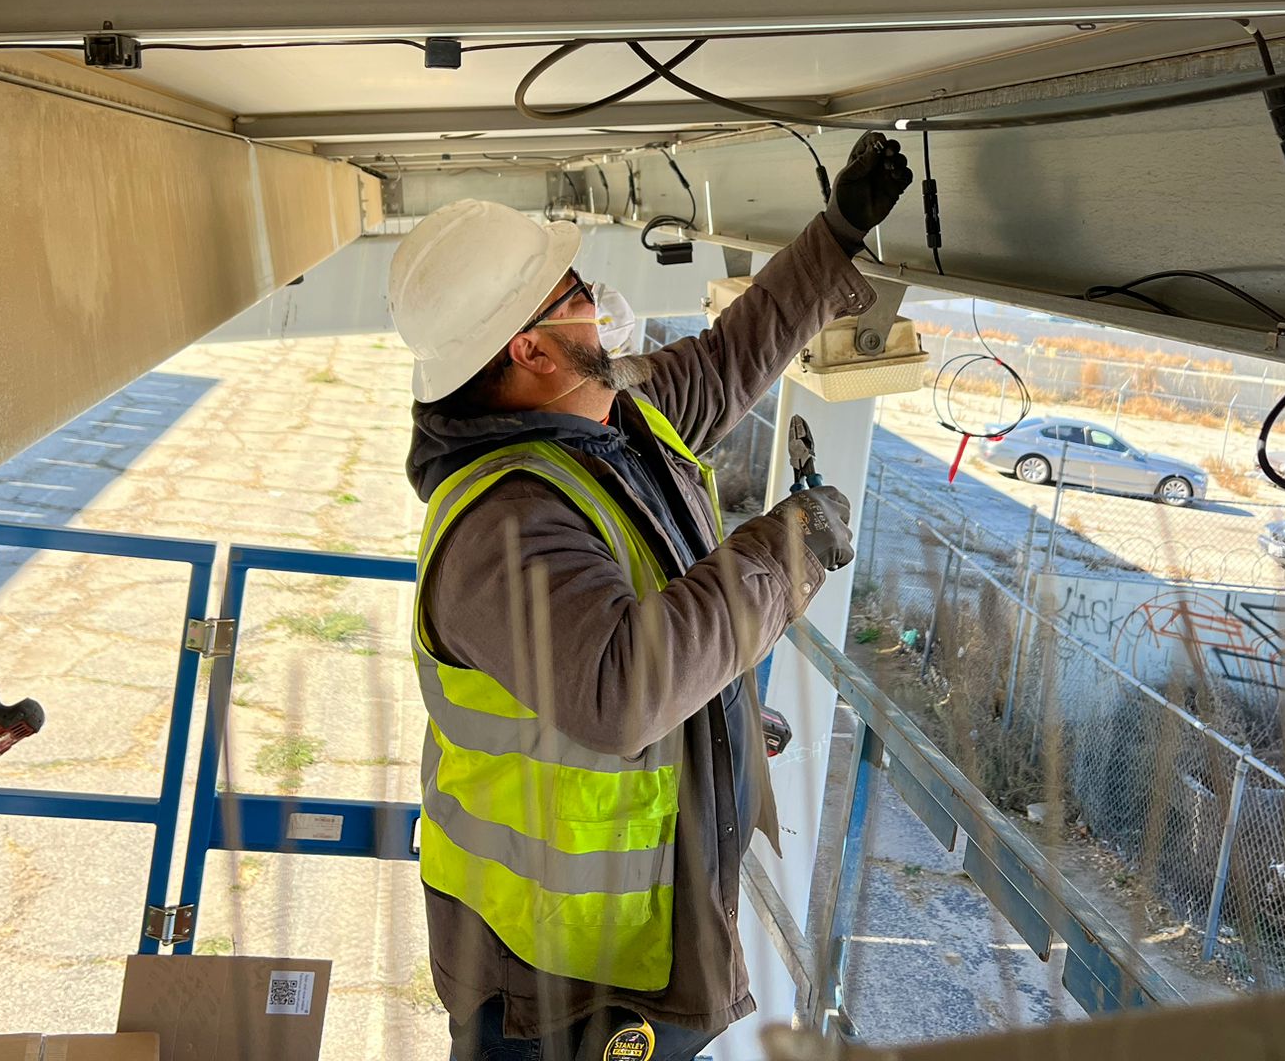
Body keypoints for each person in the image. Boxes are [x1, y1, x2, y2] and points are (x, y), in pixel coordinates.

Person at [389, 133, 914, 1061]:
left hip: (632, 934)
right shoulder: (503, 526)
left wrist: (837, 234)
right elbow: (624, 687)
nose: (596, 302)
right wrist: (786, 549)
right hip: (554, 981)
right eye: (573, 295)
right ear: (530, 347)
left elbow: (726, 361)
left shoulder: (607, 417)